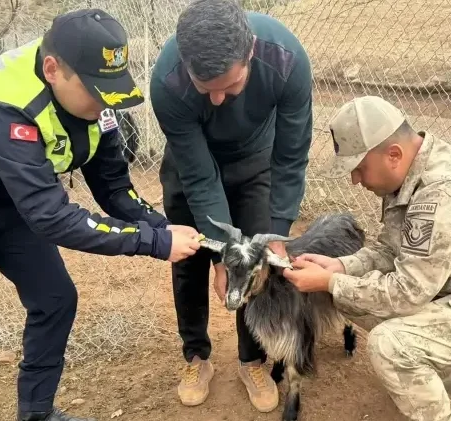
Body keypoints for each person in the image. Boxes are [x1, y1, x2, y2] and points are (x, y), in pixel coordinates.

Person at [0, 8, 201, 421]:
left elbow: (115, 188)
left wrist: (161, 225)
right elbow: (50, 215)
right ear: (53, 69)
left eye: (111, 89)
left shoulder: (99, 103)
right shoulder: (0, 97)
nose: (106, 101)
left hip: (5, 195)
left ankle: (37, 413)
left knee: (54, 299)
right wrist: (153, 242)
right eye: (96, 89)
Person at [281, 96, 451, 421]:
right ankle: (450, 375)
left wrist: (331, 282)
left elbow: (406, 293)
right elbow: (388, 250)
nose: (355, 179)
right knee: (349, 297)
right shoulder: (408, 178)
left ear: (393, 154)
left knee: (391, 345)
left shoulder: (442, 195)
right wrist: (340, 267)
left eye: (359, 168)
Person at [149, 0, 313, 413]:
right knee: (189, 260)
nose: (218, 100)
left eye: (231, 85)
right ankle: (196, 357)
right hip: (191, 168)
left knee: (254, 264)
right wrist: (222, 248)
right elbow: (201, 177)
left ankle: (251, 360)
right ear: (186, 66)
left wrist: (277, 231)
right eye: (206, 89)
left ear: (251, 54)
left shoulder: (288, 61)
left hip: (256, 163)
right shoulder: (167, 82)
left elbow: (291, 157)